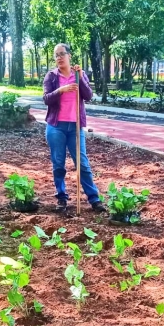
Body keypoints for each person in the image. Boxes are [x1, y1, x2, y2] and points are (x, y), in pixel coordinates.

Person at [42, 43, 106, 213]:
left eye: (62, 54)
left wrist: (79, 76)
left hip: (75, 127)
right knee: (58, 164)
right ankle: (61, 197)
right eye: (56, 55)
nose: (59, 57)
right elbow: (46, 99)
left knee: (82, 164)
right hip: (56, 127)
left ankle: (94, 199)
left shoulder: (79, 74)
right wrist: (61, 90)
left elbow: (88, 96)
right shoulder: (51, 77)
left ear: (69, 55)